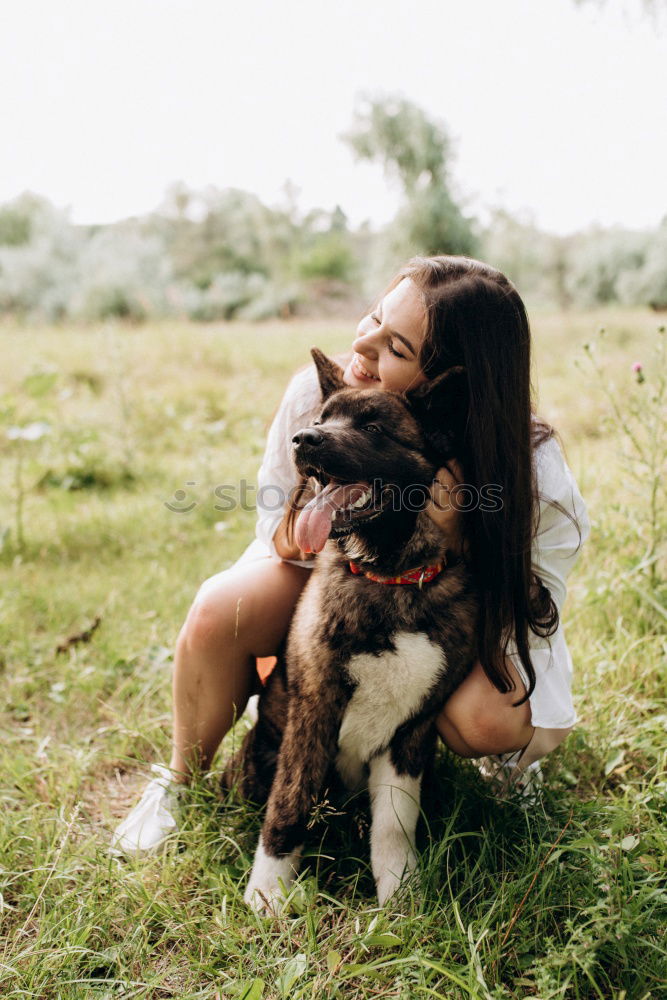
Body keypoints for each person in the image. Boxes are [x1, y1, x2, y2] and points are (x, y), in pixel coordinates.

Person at [111, 255, 589, 857]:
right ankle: (179, 783)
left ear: (447, 383)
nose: (361, 342)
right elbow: (272, 525)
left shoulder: (528, 463)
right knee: (219, 609)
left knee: (485, 720)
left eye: (394, 346)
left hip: (461, 606)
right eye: (373, 316)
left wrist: (458, 534)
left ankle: (509, 767)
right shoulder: (322, 394)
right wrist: (315, 525)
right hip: (337, 582)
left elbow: (537, 601)